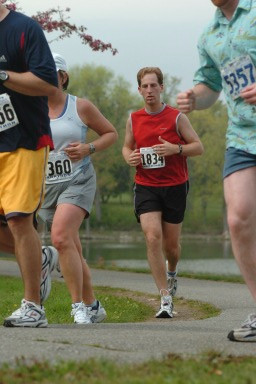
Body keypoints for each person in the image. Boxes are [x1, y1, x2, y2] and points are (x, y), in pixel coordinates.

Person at [177, 0, 256, 341]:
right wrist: (195, 98)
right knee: (238, 219)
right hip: (241, 135)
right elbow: (211, 86)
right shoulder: (209, 34)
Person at [38, 52, 118, 324]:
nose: (48, 78)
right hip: (45, 187)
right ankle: (93, 305)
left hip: (78, 180)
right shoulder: (31, 108)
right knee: (72, 247)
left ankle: (77, 308)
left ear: (63, 77)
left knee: (60, 237)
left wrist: (88, 148)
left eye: (53, 73)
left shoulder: (80, 107)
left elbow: (110, 133)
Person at [122, 67, 204, 318]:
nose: (149, 91)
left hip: (175, 186)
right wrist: (130, 157)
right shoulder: (134, 119)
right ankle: (164, 297)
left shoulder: (176, 118)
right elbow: (126, 147)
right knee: (152, 236)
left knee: (171, 247)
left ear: (161, 88)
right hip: (146, 185)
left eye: (153, 86)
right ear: (139, 90)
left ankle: (172, 272)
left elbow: (198, 147)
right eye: (144, 86)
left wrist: (175, 149)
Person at [0, 3, 59, 327]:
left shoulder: (24, 29)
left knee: (20, 220)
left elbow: (48, 84)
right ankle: (42, 260)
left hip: (25, 140)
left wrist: (3, 74)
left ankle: (33, 308)